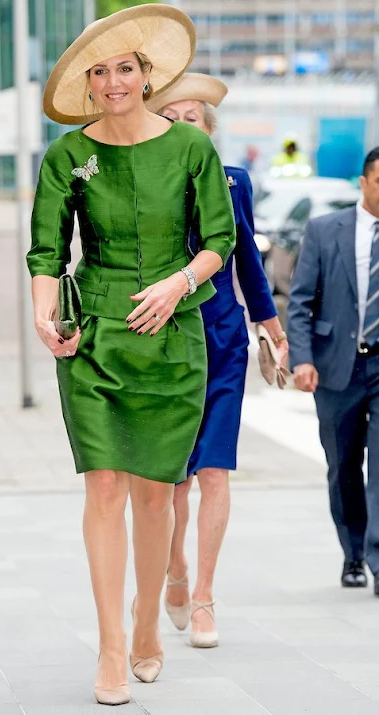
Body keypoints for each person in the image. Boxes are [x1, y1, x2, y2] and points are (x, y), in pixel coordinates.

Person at [27, 6, 235, 706]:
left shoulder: (191, 148)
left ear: (147, 74)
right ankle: (112, 642)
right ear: (87, 82)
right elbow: (46, 254)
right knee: (105, 487)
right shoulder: (65, 157)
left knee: (154, 496)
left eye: (125, 67)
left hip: (173, 335)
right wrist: (42, 311)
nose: (114, 81)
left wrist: (179, 282)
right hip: (95, 338)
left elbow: (218, 240)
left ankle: (149, 619)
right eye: (100, 70)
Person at [147, 73, 288, 647]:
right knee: (173, 479)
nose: (184, 127)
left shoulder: (233, 182)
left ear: (210, 133)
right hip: (164, 336)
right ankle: (174, 568)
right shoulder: (148, 180)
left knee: (215, 469)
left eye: (194, 119)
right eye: (172, 118)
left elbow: (249, 260)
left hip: (224, 338)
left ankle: (203, 595)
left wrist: (273, 331)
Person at [288, 147, 379, 596]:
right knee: (343, 466)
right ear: (364, 183)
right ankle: (354, 552)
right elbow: (301, 302)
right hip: (337, 366)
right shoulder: (325, 230)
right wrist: (301, 359)